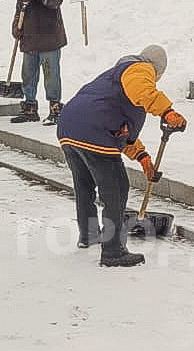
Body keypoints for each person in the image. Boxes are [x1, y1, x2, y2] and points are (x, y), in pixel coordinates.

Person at [56, 44, 187, 267]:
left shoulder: (112, 81)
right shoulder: (139, 69)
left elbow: (121, 131)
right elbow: (142, 91)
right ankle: (113, 251)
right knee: (116, 188)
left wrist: (143, 158)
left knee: (84, 185)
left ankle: (89, 235)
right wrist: (167, 111)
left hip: (69, 128)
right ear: (157, 69)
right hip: (94, 131)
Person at [6, 0, 67, 123]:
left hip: (49, 38)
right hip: (30, 39)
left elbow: (55, 1)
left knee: (51, 75)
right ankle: (30, 108)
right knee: (28, 75)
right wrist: (16, 27)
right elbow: (20, 10)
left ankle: (55, 109)